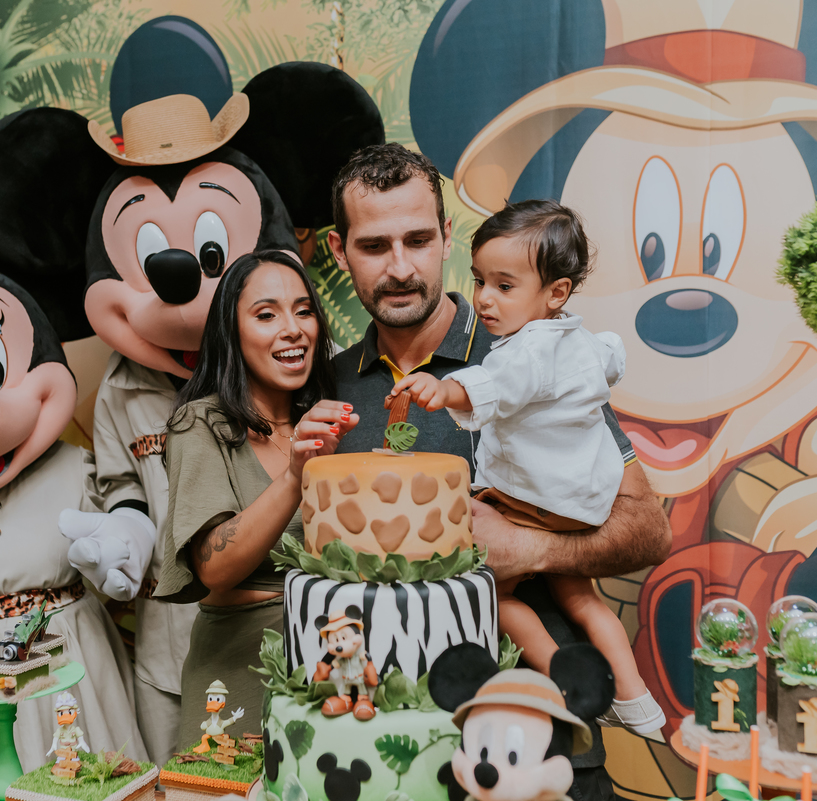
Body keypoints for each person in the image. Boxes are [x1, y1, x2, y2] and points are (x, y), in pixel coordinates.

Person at [327, 143, 671, 801]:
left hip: (537, 747)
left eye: (419, 239)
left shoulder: (533, 352)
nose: (401, 266)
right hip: (382, 746)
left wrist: (533, 548)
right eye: (374, 246)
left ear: (447, 237)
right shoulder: (326, 388)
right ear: (341, 253)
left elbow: (648, 530)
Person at [386, 199, 665, 735]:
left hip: (531, 505)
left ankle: (561, 674)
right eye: (480, 281)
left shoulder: (523, 351)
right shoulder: (579, 339)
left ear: (555, 293)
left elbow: (494, 384)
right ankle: (634, 699)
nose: (486, 299)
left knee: (494, 590)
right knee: (580, 597)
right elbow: (612, 357)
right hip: (582, 505)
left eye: (505, 286)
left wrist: (444, 388)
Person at [154, 250, 358, 745]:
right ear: (232, 331)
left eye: (304, 310)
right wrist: (294, 477)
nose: (293, 329)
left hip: (333, 665)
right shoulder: (201, 424)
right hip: (238, 672)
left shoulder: (332, 419)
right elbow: (213, 569)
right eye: (266, 315)